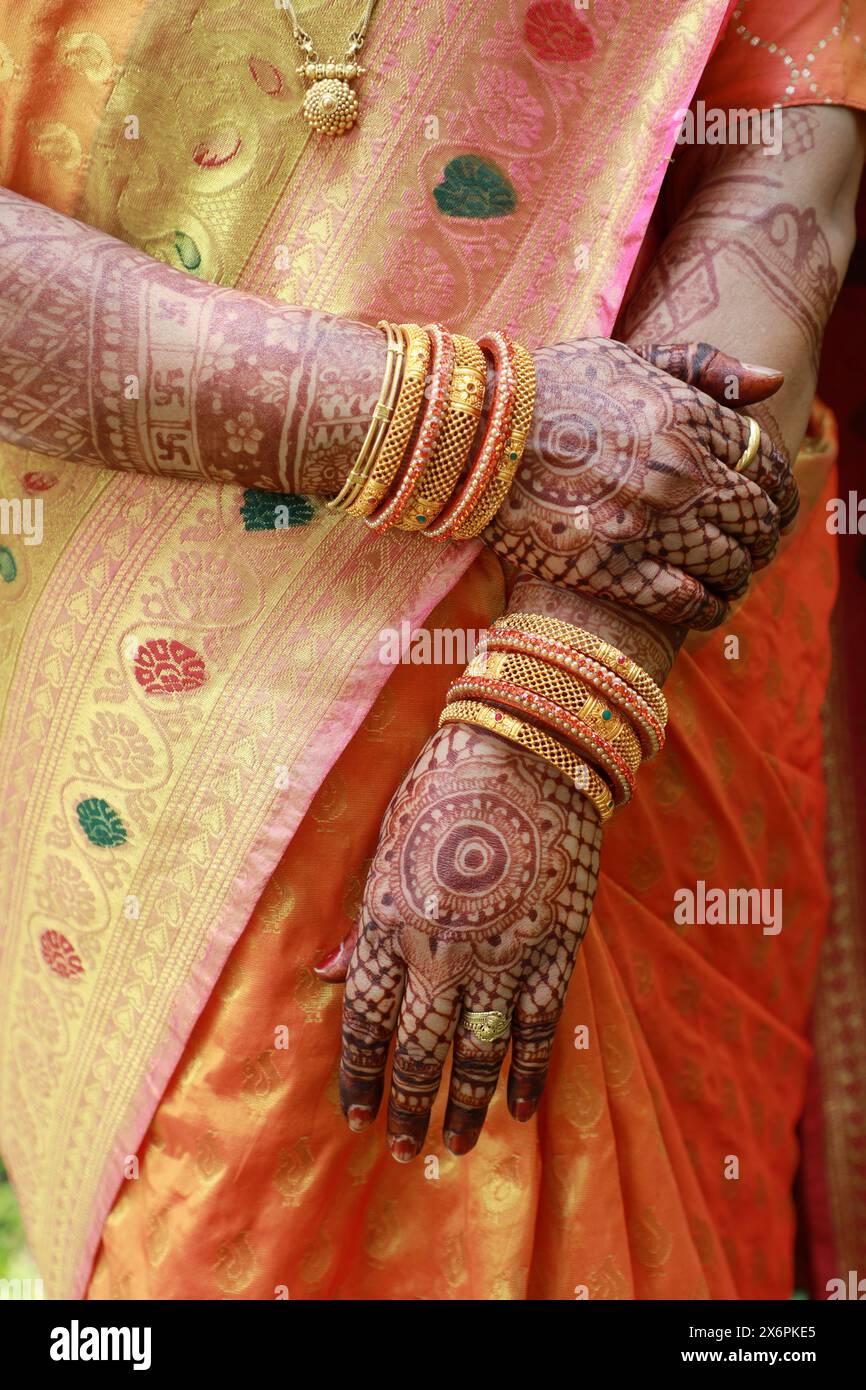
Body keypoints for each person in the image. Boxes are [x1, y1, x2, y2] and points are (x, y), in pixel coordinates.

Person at [0, 0, 862, 1299]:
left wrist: (564, 693)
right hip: (137, 697)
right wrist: (479, 433)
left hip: (625, 659)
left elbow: (784, 132)